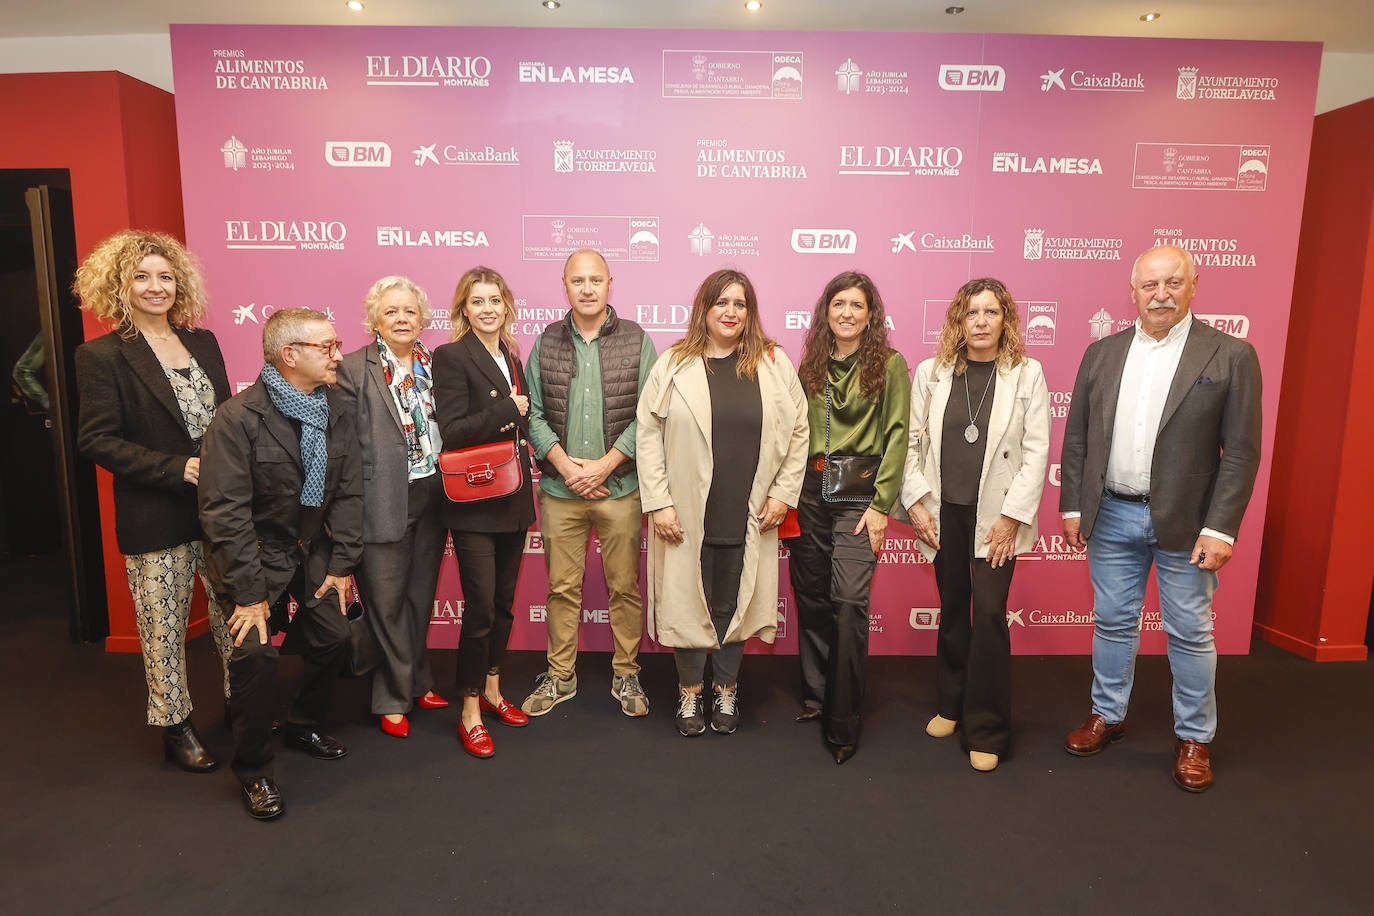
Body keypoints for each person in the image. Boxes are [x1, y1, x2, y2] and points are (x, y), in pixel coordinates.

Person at [1060, 244, 1262, 793]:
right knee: (1113, 622)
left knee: (1191, 633)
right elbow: (1076, 438)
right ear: (1133, 292)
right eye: (1150, 285)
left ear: (1193, 286)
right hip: (1112, 517)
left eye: (1173, 283)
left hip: (1189, 526)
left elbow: (1241, 452)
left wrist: (1220, 528)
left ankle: (1195, 737)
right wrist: (1074, 505)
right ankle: (1108, 714)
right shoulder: (1101, 354)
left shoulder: (1229, 355)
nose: (1161, 295)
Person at [72, 230, 234, 775]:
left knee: (232, 612)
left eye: (166, 276)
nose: (156, 286)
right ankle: (176, 727)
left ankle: (243, 704)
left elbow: (228, 418)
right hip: (154, 509)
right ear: (120, 285)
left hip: (218, 508)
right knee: (162, 624)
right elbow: (96, 439)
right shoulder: (100, 355)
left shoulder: (204, 342)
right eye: (142, 276)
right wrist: (175, 468)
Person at [198, 307, 364, 819]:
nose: (339, 355)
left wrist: (341, 564)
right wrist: (248, 593)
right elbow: (225, 514)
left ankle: (304, 723)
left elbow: (350, 492)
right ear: (290, 355)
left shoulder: (338, 407)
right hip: (254, 555)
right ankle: (253, 769)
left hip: (312, 549)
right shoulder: (237, 418)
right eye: (328, 347)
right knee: (255, 656)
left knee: (336, 636)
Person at [637, 269, 809, 737]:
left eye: (740, 303)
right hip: (686, 512)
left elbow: (799, 433)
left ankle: (726, 690)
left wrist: (781, 493)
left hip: (750, 510)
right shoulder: (674, 362)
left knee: (735, 603)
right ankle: (690, 693)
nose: (731, 312)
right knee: (686, 602)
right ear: (705, 310)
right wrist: (660, 502)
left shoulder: (773, 363)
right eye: (722, 303)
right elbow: (647, 434)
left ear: (749, 311)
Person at [901, 278, 1050, 772]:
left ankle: (985, 727)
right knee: (952, 607)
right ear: (957, 322)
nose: (981, 322)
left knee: (987, 613)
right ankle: (951, 703)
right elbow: (911, 444)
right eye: (971, 313)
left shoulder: (1027, 374)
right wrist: (917, 502)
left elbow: (1036, 452)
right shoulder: (932, 372)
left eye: (991, 312)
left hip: (996, 519)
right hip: (945, 512)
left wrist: (1011, 518)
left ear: (1005, 319)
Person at [520, 248, 658, 718]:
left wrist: (604, 466)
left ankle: (627, 673)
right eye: (577, 280)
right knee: (562, 589)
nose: (587, 288)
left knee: (625, 587)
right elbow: (533, 416)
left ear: (609, 283)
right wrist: (567, 468)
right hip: (561, 492)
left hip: (618, 488)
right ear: (565, 285)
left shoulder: (638, 340)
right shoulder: (546, 341)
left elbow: (649, 415)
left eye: (595, 279)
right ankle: (560, 675)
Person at [789, 270, 910, 764]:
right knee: (812, 596)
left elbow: (899, 434)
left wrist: (882, 506)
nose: (846, 313)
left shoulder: (891, 364)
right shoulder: (811, 365)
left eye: (856, 305)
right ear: (826, 312)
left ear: (870, 314)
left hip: (859, 495)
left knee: (848, 601)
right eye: (838, 304)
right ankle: (819, 697)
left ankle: (844, 723)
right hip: (809, 491)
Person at [336, 276, 448, 739]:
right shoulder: (352, 368)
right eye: (391, 312)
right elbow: (339, 442)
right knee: (386, 603)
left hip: (434, 493)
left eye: (409, 311)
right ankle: (392, 696)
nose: (401, 319)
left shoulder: (438, 364)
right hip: (379, 498)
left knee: (420, 597)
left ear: (422, 318)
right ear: (374, 320)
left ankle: (418, 679)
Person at [433, 267, 535, 758]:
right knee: (478, 610)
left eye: (495, 300)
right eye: (478, 301)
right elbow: (450, 432)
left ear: (506, 305)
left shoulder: (513, 357)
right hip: (474, 503)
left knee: (503, 606)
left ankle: (494, 690)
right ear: (464, 309)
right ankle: (469, 710)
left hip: (512, 497)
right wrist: (508, 410)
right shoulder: (451, 356)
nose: (488, 308)